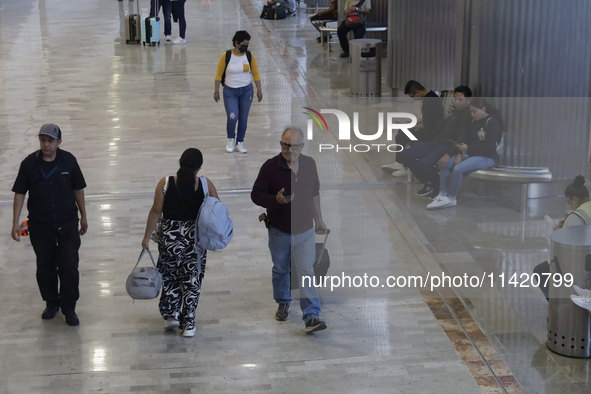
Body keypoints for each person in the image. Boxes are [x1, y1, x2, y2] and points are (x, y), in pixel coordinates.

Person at [251, 127, 329, 332]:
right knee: (280, 269)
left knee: (306, 271)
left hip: (305, 231)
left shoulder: (310, 164)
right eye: (285, 145)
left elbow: (315, 193)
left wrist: (319, 220)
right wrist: (274, 200)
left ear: (302, 146)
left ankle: (312, 315)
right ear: (280, 144)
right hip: (279, 231)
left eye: (294, 146)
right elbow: (256, 195)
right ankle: (283, 300)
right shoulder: (269, 167)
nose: (289, 150)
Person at [11, 124, 88, 326]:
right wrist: (15, 223)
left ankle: (69, 308)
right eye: (43, 140)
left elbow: (78, 189)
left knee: (69, 266)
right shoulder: (29, 163)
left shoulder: (69, 161)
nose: (46, 144)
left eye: (50, 140)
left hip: (68, 223)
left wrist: (84, 216)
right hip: (40, 225)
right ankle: (51, 303)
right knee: (44, 266)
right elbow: (20, 193)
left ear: (58, 142)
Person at [141, 148, 219, 337]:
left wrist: (146, 237)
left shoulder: (165, 183)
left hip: (169, 239)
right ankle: (189, 323)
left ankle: (171, 314)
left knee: (169, 276)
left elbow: (155, 211)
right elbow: (217, 209)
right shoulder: (205, 184)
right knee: (192, 280)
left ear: (180, 162)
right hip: (195, 242)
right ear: (199, 167)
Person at [396, 86, 473, 198]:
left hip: (447, 145)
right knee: (405, 155)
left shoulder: (467, 115)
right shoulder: (453, 112)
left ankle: (436, 184)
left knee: (424, 163)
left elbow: (462, 138)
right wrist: (446, 117)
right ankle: (429, 182)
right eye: (455, 99)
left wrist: (448, 154)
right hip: (435, 141)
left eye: (460, 100)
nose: (457, 102)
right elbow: (438, 129)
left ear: (468, 101)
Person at [427, 98, 503, 209]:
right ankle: (442, 195)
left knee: (458, 169)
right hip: (471, 152)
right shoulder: (474, 122)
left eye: (474, 111)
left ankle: (452, 198)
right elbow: (466, 139)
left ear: (483, 109)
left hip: (486, 156)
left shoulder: (491, 122)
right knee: (446, 164)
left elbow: (489, 147)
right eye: (471, 111)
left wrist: (468, 149)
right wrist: (460, 153)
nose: (472, 115)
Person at [534, 176, 591, 300]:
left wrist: (559, 232)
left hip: (582, 263)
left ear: (574, 199)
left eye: (569, 202)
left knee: (540, 271)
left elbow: (566, 248)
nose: (570, 206)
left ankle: (557, 305)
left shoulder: (575, 217)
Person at [214, 30, 263, 154]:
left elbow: (256, 73)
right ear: (236, 43)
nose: (246, 46)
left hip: (246, 91)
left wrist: (259, 89)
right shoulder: (226, 56)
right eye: (244, 44)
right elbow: (218, 74)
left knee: (243, 118)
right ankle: (230, 139)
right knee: (232, 117)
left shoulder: (249, 56)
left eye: (248, 44)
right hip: (230, 92)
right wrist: (216, 91)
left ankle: (240, 142)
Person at [382, 80, 444, 177]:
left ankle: (405, 166)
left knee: (402, 136)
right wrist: (412, 123)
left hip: (432, 133)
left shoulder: (430, 101)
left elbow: (426, 125)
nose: (414, 99)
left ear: (417, 92)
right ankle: (399, 162)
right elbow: (427, 118)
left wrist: (410, 126)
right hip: (431, 128)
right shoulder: (430, 97)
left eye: (413, 96)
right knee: (402, 131)